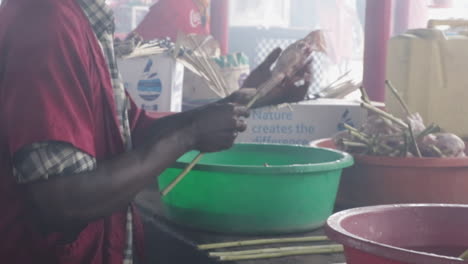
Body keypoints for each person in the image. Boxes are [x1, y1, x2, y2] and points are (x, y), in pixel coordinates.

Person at [0, 0, 311, 263]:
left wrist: (253, 96)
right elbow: (63, 202)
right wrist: (189, 134)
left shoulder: (83, 22)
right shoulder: (49, 22)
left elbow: (132, 134)